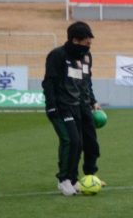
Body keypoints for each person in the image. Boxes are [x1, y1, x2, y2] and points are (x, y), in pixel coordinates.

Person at [44, 20, 104, 195]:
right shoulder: (57, 55)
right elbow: (49, 82)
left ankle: (83, 178)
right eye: (86, 43)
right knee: (72, 141)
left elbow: (86, 81)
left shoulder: (87, 57)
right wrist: (51, 106)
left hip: (81, 105)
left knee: (90, 142)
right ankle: (64, 180)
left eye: (90, 44)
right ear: (75, 41)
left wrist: (92, 100)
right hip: (62, 106)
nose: (88, 47)